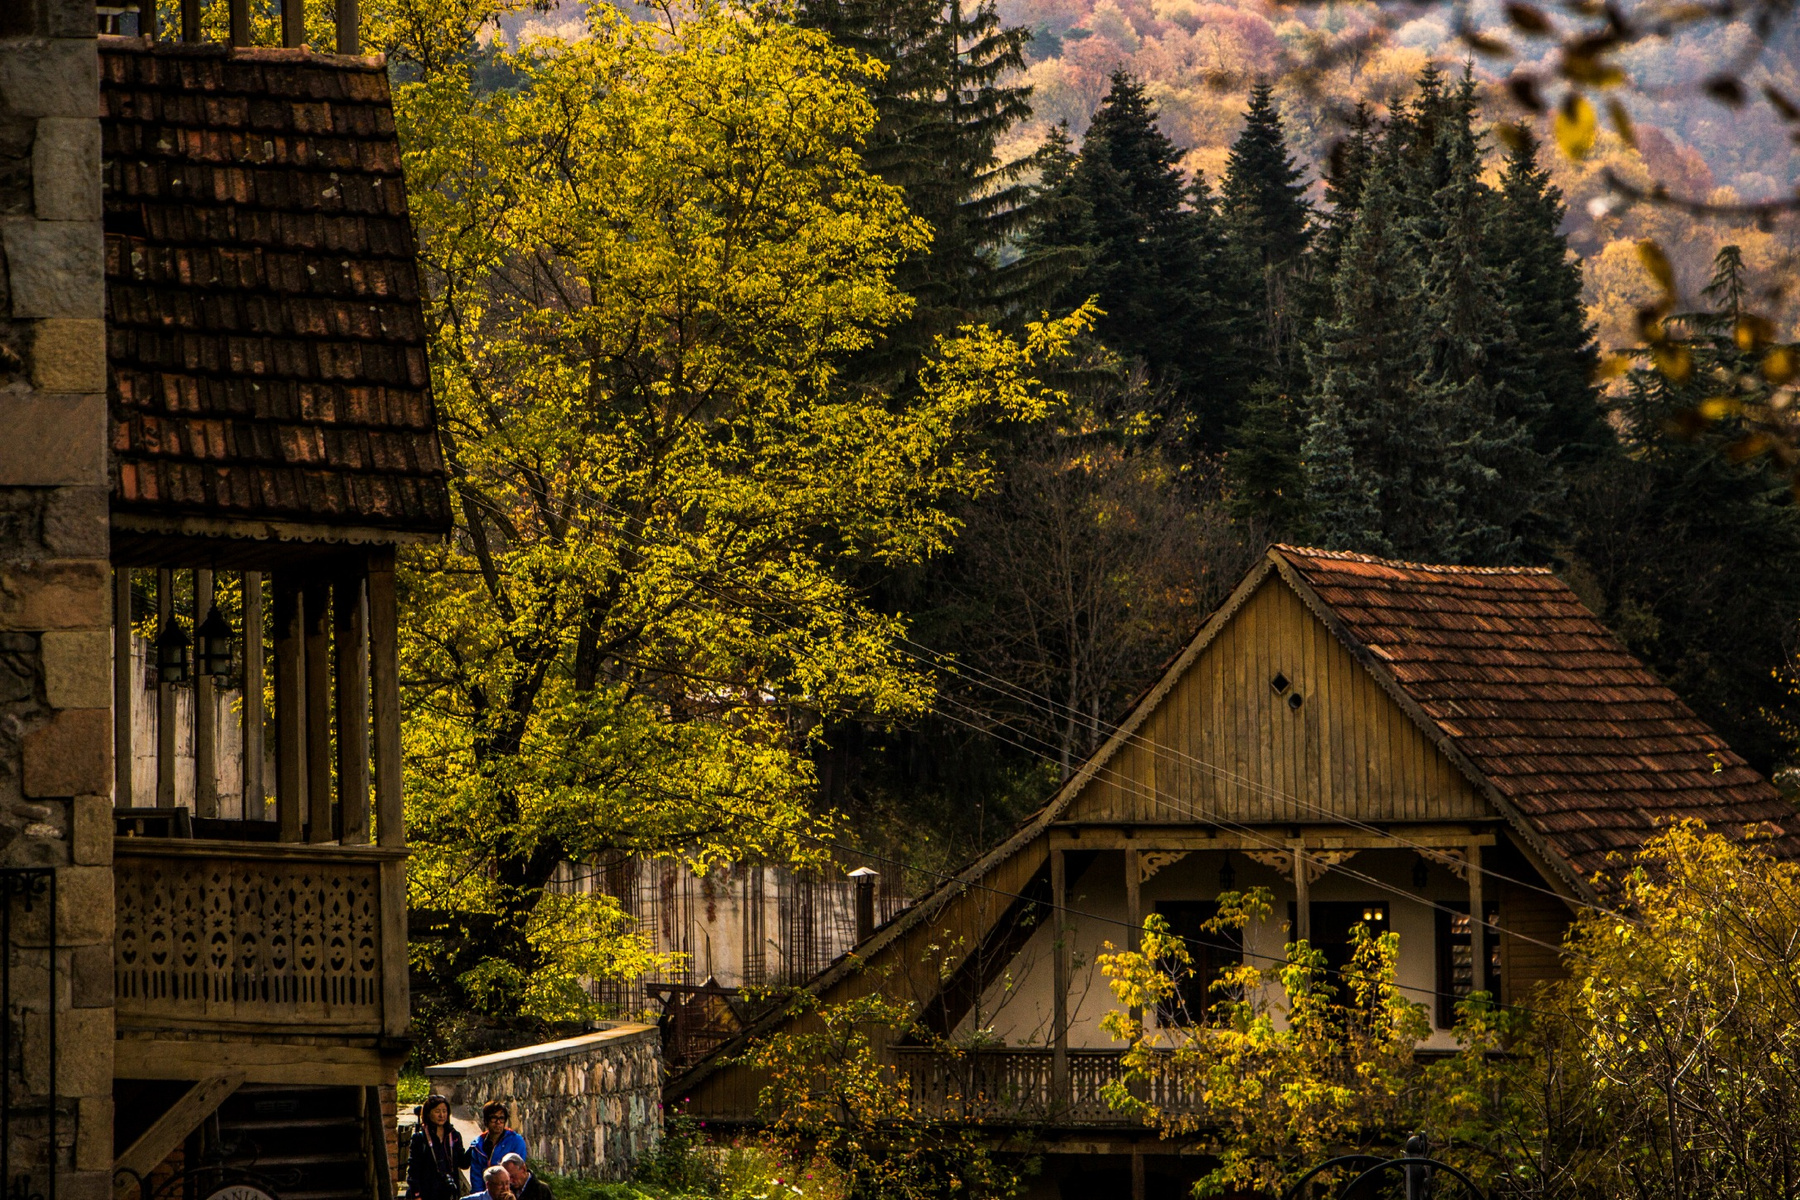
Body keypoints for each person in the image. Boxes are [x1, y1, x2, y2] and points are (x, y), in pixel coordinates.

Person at [406, 1095, 471, 1200]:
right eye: (437, 1111)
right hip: (427, 1192)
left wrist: (474, 1147)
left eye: (444, 1111)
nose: (442, 1115)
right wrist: (417, 1194)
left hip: (448, 1193)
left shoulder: (454, 1135)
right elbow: (413, 1170)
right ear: (428, 1113)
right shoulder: (420, 1138)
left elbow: (463, 1163)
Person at [468, 1102, 527, 1192]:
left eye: (501, 1118)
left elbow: (516, 1172)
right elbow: (476, 1177)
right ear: (486, 1121)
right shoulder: (478, 1145)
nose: (498, 1122)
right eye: (493, 1118)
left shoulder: (515, 1141)